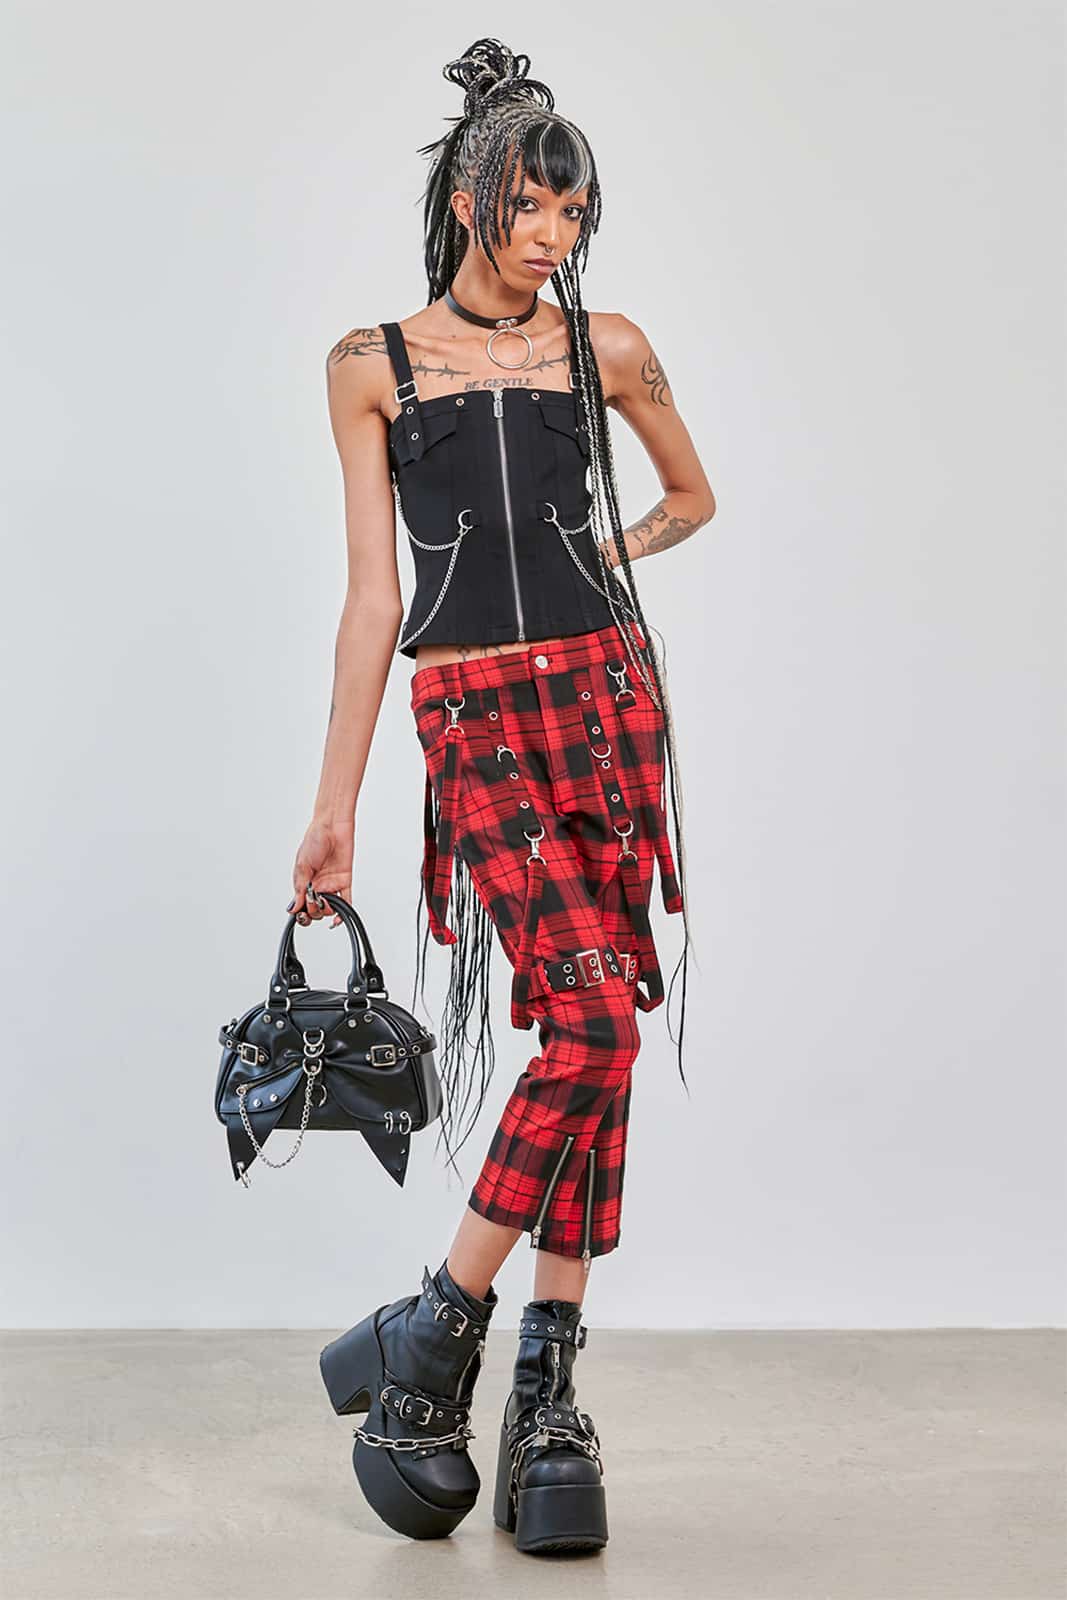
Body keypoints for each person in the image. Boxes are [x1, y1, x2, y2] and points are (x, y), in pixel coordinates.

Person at [297, 37, 716, 1554]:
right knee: (594, 1028)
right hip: (472, 712)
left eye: (574, 212)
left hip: (605, 706)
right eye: (533, 207)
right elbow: (373, 600)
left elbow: (691, 495)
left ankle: (537, 1384)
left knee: (595, 1036)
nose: (554, 236)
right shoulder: (374, 365)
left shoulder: (607, 347)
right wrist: (335, 808)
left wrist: (617, 556)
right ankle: (441, 1335)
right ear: (476, 199)